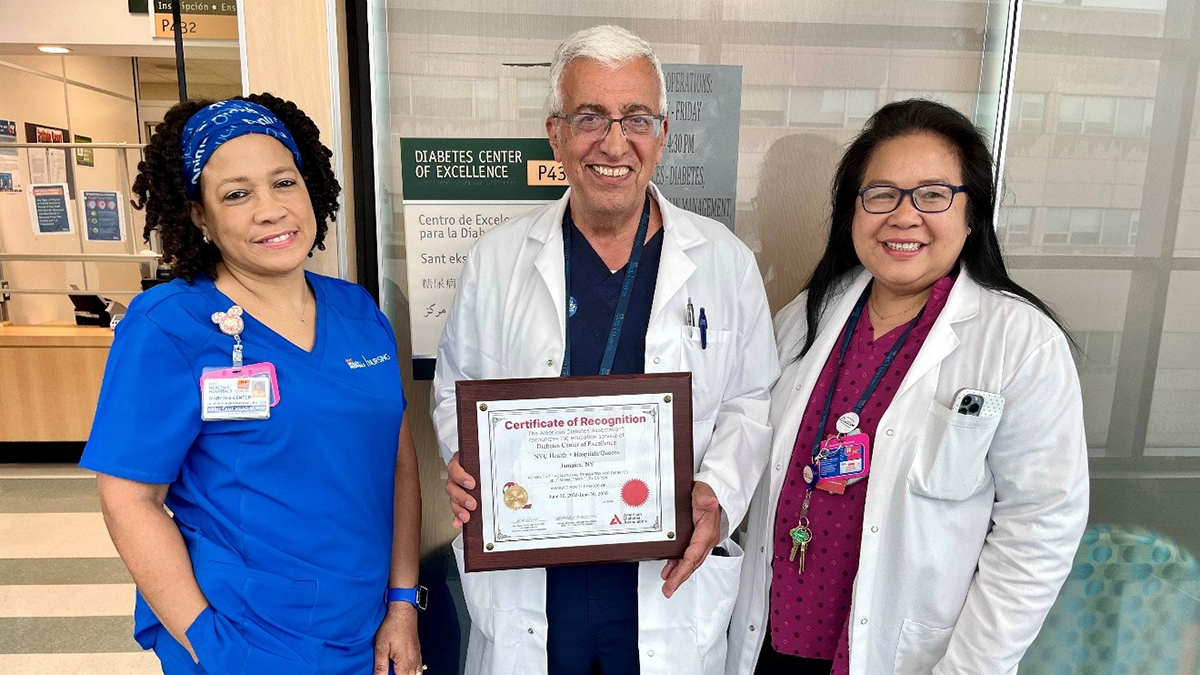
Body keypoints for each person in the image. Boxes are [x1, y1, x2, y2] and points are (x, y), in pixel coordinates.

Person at [432, 25, 779, 675]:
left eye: (636, 118)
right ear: (555, 133)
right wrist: (468, 461)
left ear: (663, 134)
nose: (614, 143)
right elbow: (457, 385)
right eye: (589, 117)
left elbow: (750, 398)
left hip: (662, 577)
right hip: (535, 574)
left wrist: (719, 490)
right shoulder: (497, 260)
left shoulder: (724, 261)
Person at [727, 99, 1090, 675]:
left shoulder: (1018, 341)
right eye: (881, 194)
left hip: (912, 655)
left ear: (973, 213)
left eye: (933, 195)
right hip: (772, 638)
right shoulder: (804, 317)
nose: (904, 216)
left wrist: (971, 667)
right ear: (853, 210)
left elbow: (1040, 528)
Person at [81, 93, 424, 675]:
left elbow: (398, 465)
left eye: (284, 182)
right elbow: (129, 500)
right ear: (199, 215)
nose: (270, 210)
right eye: (236, 194)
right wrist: (208, 640)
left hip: (364, 630)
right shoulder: (170, 325)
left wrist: (402, 603)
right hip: (241, 635)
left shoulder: (359, 313)